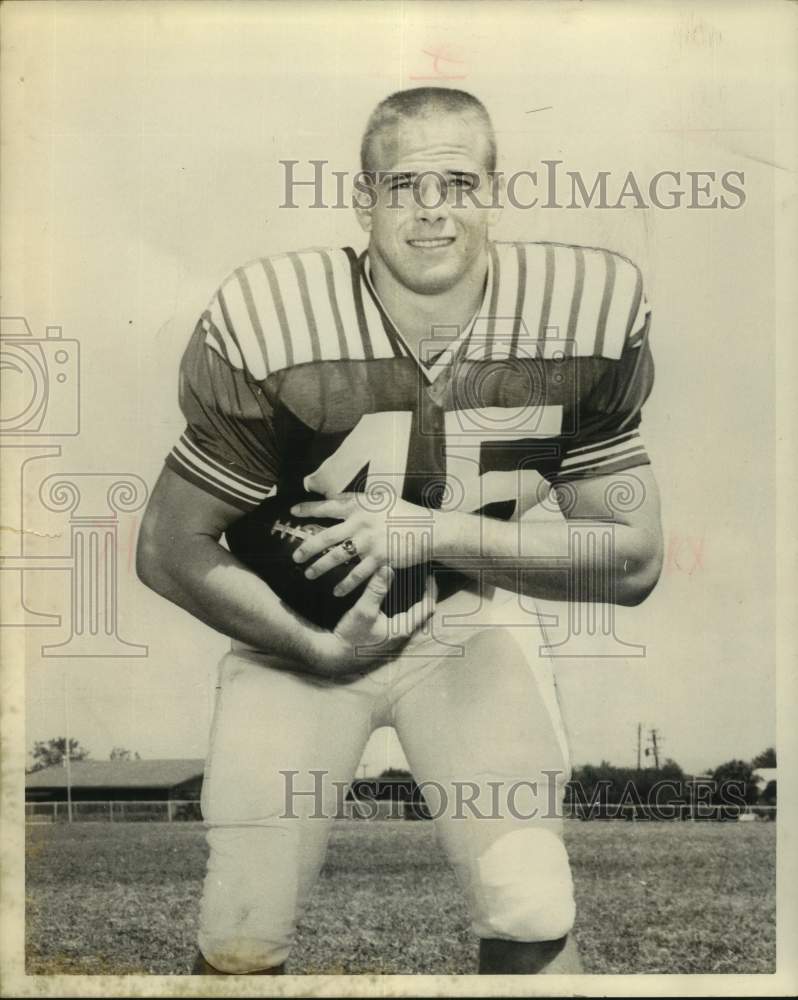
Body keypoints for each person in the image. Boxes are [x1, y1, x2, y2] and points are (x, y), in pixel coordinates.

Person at [137, 86, 663, 975]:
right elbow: (167, 547)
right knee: (240, 929)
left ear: (494, 191)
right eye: (403, 186)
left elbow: (634, 555)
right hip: (289, 637)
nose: (432, 211)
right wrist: (313, 646)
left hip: (460, 625)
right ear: (363, 201)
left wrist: (429, 532)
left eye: (457, 181)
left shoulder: (580, 312)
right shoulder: (276, 318)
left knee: (532, 904)